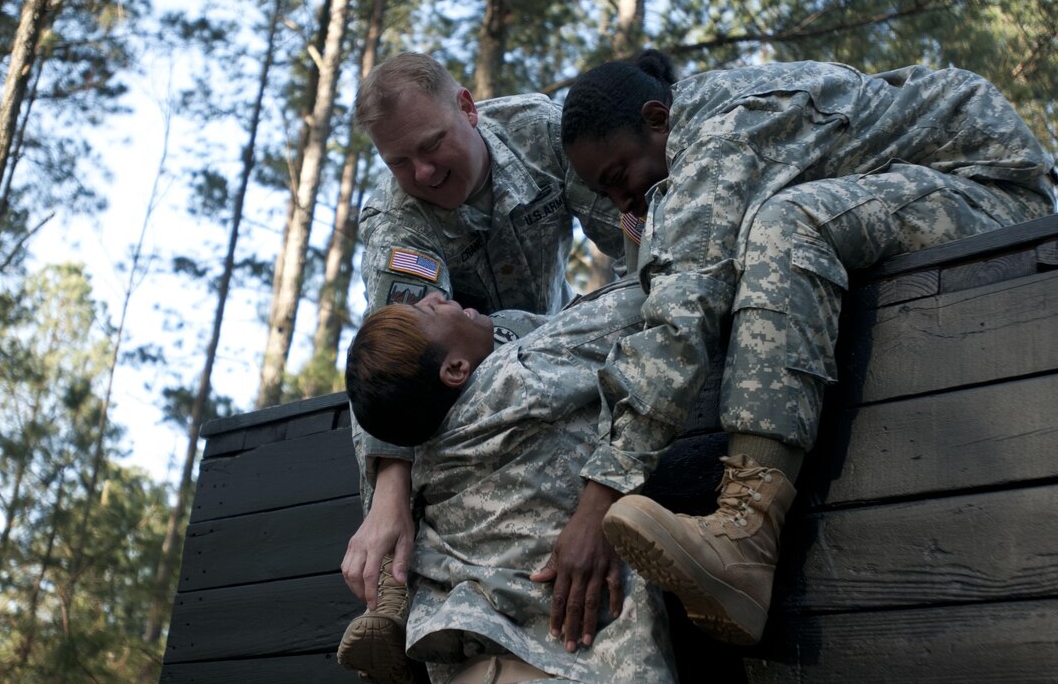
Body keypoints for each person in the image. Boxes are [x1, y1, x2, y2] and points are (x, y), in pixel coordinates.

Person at [559, 50, 1057, 647]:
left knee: (790, 224)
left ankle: (747, 534)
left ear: (657, 119)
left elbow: (681, 312)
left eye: (618, 179)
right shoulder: (699, 133)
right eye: (604, 193)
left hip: (993, 188)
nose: (622, 204)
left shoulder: (723, 135)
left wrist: (598, 499)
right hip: (932, 180)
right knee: (772, 228)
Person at [339, 51, 633, 683]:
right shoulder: (398, 220)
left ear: (467, 108)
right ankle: (397, 595)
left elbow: (631, 225)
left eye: (431, 144)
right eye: (397, 161)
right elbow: (404, 354)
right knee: (393, 389)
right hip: (458, 377)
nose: (419, 171)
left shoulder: (542, 134)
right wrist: (388, 500)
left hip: (548, 341)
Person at [345, 280, 676, 683]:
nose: (433, 295)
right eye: (429, 311)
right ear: (454, 369)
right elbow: (656, 296)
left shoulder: (417, 459)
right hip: (576, 665)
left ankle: (387, 603)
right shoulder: (522, 370)